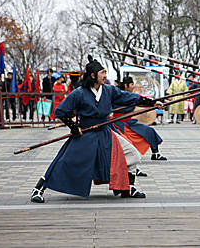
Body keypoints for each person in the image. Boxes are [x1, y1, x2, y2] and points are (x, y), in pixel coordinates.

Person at [30, 56, 163, 203]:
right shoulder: (79, 93)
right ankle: (39, 189)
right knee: (65, 162)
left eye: (105, 72)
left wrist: (152, 103)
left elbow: (129, 97)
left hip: (105, 132)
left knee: (133, 154)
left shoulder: (109, 90)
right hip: (86, 134)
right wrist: (74, 127)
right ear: (93, 75)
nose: (105, 76)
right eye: (102, 73)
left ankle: (129, 188)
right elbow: (61, 111)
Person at [111, 76, 166, 171]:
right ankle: (132, 167)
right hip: (119, 123)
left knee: (149, 131)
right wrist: (152, 103)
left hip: (129, 121)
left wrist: (153, 103)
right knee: (129, 142)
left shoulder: (127, 95)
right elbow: (136, 100)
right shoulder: (120, 94)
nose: (133, 86)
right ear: (126, 85)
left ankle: (155, 153)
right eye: (131, 84)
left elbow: (138, 101)